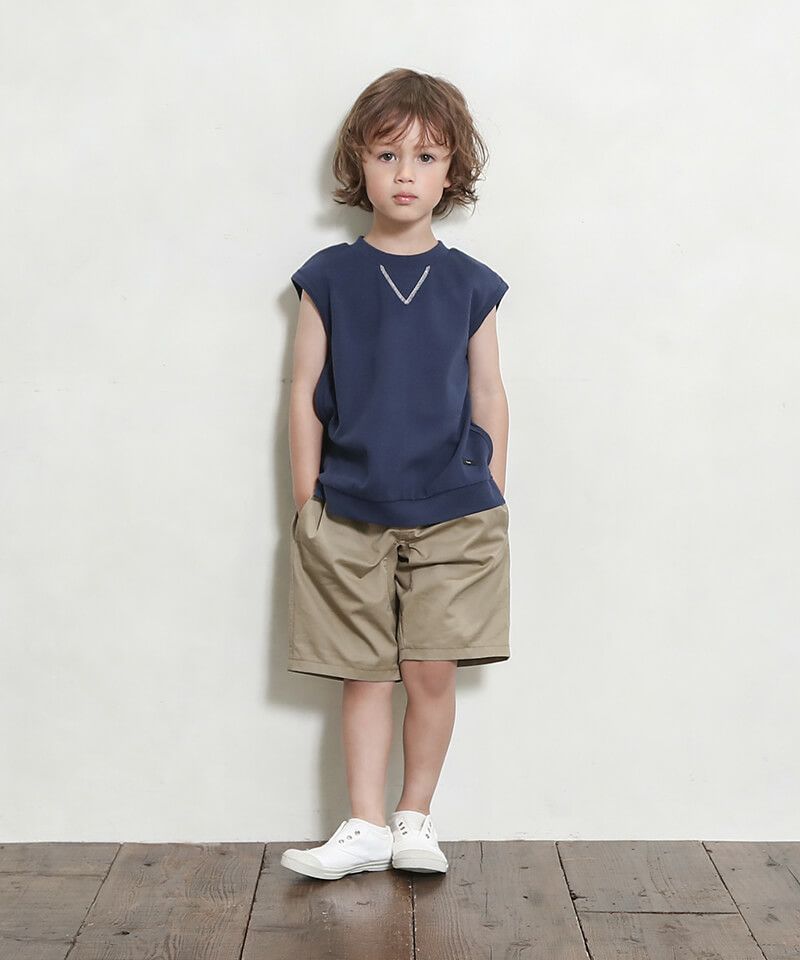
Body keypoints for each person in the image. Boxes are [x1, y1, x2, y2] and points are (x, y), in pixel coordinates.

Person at [281, 68, 511, 881]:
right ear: (361, 164)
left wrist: (492, 490)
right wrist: (305, 501)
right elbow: (303, 392)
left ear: (452, 173)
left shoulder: (472, 283)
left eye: (425, 157)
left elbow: (489, 391)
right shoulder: (328, 277)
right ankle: (365, 825)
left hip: (455, 511)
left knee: (430, 669)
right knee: (365, 674)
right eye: (387, 155)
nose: (405, 173)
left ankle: (415, 817)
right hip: (348, 509)